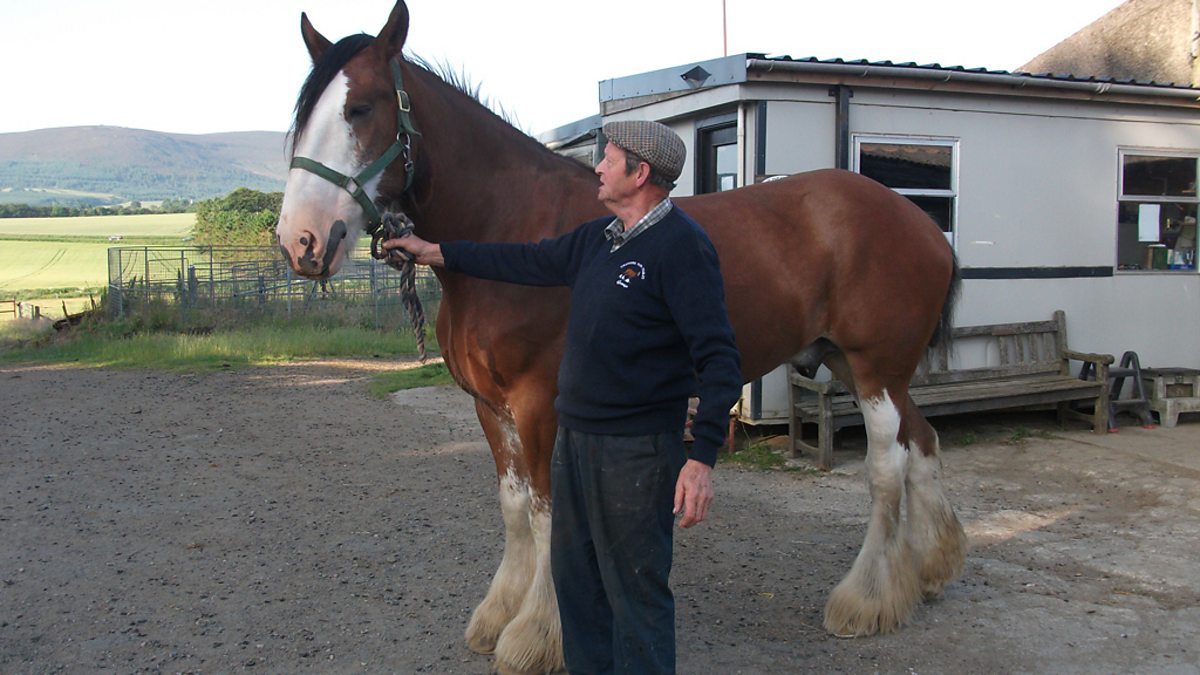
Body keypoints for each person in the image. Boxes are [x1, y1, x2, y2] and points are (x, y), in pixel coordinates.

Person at [383, 120, 742, 674]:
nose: (597, 166)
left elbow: (719, 358)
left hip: (637, 451)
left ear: (639, 173)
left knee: (636, 591)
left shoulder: (682, 247)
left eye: (609, 158)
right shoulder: (599, 239)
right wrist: (433, 251)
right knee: (576, 584)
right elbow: (523, 261)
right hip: (574, 441)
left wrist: (702, 460)